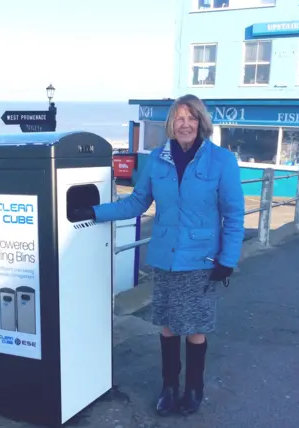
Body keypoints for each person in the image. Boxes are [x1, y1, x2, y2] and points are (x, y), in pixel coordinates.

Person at [72, 94, 245, 416]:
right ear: (171, 124)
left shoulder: (222, 160)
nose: (185, 124)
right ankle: (169, 387)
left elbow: (234, 215)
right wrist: (93, 211)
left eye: (191, 118)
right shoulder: (156, 159)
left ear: (201, 123)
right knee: (167, 325)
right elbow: (136, 203)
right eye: (179, 118)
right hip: (166, 257)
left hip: (202, 260)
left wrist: (228, 260)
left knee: (194, 328)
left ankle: (194, 389)